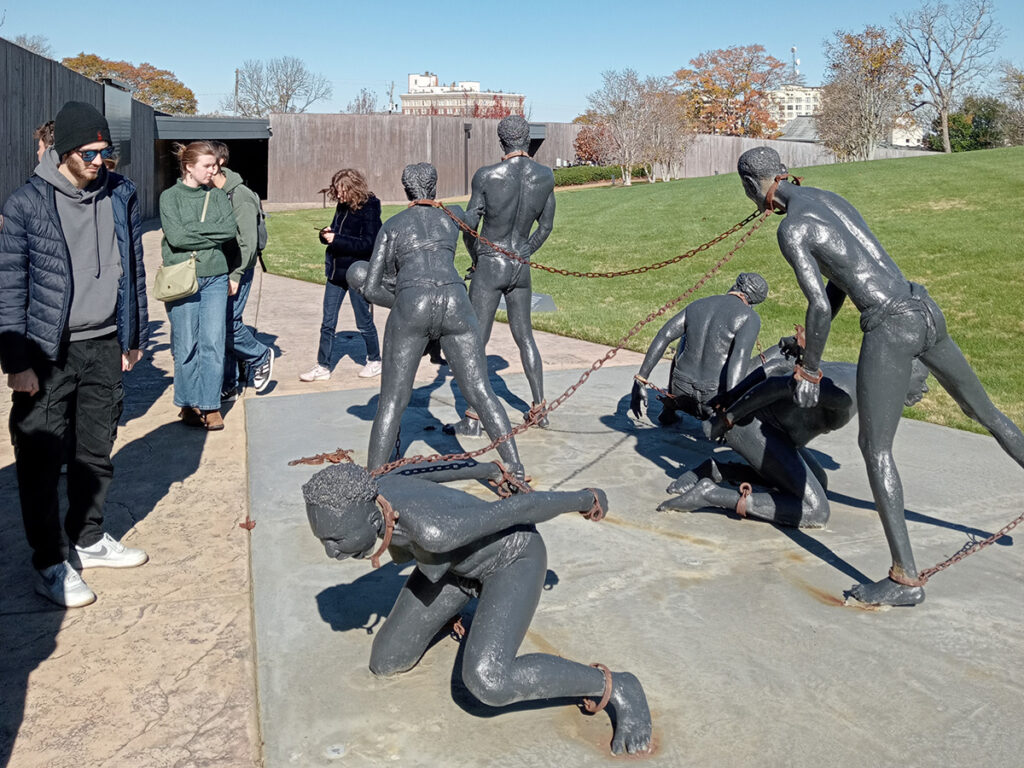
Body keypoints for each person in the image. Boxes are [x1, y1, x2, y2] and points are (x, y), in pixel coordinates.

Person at [737, 145, 1024, 606]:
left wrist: (809, 372)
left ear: (753, 187)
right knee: (986, 412)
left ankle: (904, 578)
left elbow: (817, 305)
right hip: (924, 308)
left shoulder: (792, 228)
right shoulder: (831, 200)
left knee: (875, 448)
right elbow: (839, 282)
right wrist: (815, 341)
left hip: (891, 324)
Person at [303, 460, 653, 756]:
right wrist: (482, 469)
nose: (331, 553)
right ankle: (464, 605)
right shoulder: (374, 486)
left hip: (513, 560)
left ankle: (617, 686)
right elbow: (428, 470)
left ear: (369, 518)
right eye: (323, 540)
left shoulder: (434, 532)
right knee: (386, 660)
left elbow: (520, 509)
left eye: (336, 540)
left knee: (488, 680)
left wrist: (585, 498)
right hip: (455, 570)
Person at [0, 101, 149, 608]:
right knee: (40, 459)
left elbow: (133, 269)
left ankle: (89, 537)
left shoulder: (119, 194)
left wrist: (133, 335)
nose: (100, 161)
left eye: (107, 152)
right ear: (64, 151)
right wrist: (16, 362)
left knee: (96, 450)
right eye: (90, 152)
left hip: (105, 344)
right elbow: (9, 289)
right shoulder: (26, 204)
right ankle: (49, 560)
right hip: (47, 352)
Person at [360, 163, 524, 476]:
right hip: (455, 300)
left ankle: (375, 478)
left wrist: (403, 303)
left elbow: (369, 286)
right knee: (480, 390)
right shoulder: (452, 215)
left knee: (393, 399)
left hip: (412, 302)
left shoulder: (393, 225)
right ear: (434, 187)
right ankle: (514, 467)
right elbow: (476, 235)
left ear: (406, 190)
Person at [662, 347, 930, 528]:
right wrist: (726, 418)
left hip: (775, 435)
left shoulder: (857, 374)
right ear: (898, 376)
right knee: (816, 511)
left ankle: (717, 470)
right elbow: (778, 383)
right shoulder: (845, 392)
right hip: (754, 429)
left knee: (819, 482)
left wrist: (730, 398)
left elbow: (780, 365)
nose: (925, 388)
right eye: (922, 380)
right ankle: (711, 494)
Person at [447, 115, 556, 435]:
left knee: (476, 338)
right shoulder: (545, 175)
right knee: (525, 337)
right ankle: (539, 408)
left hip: (491, 262)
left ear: (502, 141)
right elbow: (546, 226)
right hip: (520, 263)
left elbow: (469, 225)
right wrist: (524, 252)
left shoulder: (487, 176)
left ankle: (472, 417)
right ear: (526, 140)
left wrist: (476, 256)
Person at [159, 141, 238, 430]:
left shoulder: (217, 197)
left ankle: (210, 404)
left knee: (213, 342)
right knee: (186, 343)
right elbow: (177, 238)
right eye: (207, 165)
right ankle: (188, 402)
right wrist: (209, 236)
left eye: (215, 166)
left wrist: (193, 232)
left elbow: (229, 231)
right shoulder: (170, 198)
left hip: (216, 277)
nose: (213, 170)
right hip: (182, 278)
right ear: (188, 166)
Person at [630, 273, 769, 424]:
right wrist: (730, 408)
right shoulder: (749, 316)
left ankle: (668, 410)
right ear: (754, 302)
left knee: (684, 340)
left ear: (735, 285)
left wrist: (641, 379)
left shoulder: (699, 304)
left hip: (679, 390)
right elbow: (739, 358)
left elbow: (665, 334)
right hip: (711, 400)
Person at [299, 169, 382, 382]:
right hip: (336, 273)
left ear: (354, 188)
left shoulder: (370, 207)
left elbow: (369, 244)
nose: (340, 196)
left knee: (363, 321)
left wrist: (337, 239)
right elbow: (337, 233)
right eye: (337, 192)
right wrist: (326, 235)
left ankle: (375, 360)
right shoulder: (342, 206)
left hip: (357, 273)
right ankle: (323, 366)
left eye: (343, 191)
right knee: (328, 322)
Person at [209, 142, 274, 400]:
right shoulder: (215, 193)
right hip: (220, 268)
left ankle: (259, 355)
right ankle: (229, 383)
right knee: (223, 324)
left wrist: (235, 276)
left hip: (238, 269)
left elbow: (247, 241)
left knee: (227, 323)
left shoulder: (240, 195)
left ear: (218, 164)